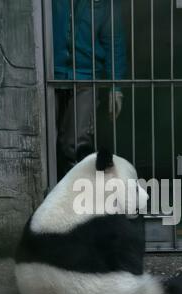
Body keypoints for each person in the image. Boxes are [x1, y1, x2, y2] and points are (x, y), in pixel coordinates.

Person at [52, 0, 127, 178]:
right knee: (46, 145)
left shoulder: (105, 4)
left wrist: (115, 87)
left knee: (76, 145)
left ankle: (78, 198)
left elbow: (114, 42)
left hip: (86, 77)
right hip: (50, 73)